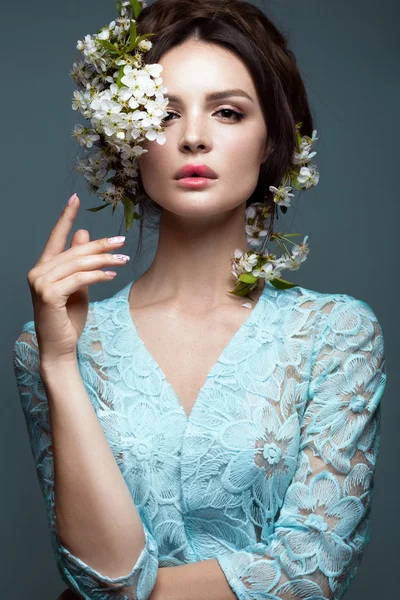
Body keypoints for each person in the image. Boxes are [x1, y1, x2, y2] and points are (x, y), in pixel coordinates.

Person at [12, 1, 386, 599]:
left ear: (270, 143)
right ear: (127, 139)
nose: (192, 138)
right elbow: (99, 576)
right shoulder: (51, 347)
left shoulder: (335, 333)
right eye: (161, 114)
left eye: (229, 112)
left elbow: (309, 574)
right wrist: (60, 364)